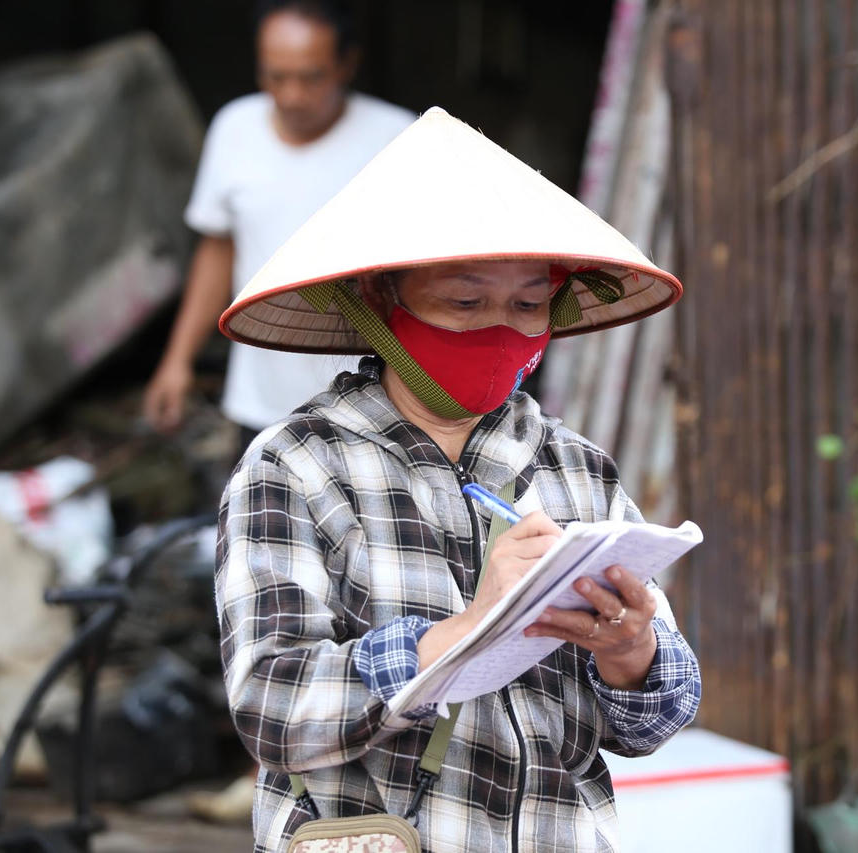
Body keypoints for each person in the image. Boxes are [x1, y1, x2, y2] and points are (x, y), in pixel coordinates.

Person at [215, 108, 702, 852]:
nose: (500, 328)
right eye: (465, 302)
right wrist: (466, 633)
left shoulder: (576, 468)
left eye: (528, 304)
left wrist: (629, 651)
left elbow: (658, 718)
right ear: (380, 300)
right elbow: (271, 706)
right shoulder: (295, 465)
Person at [142, 0, 414, 449]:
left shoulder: (397, 137)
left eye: (311, 77)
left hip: (372, 405)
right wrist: (177, 360)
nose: (291, 96)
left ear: (347, 64)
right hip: (260, 401)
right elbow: (219, 248)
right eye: (276, 76)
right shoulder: (234, 128)